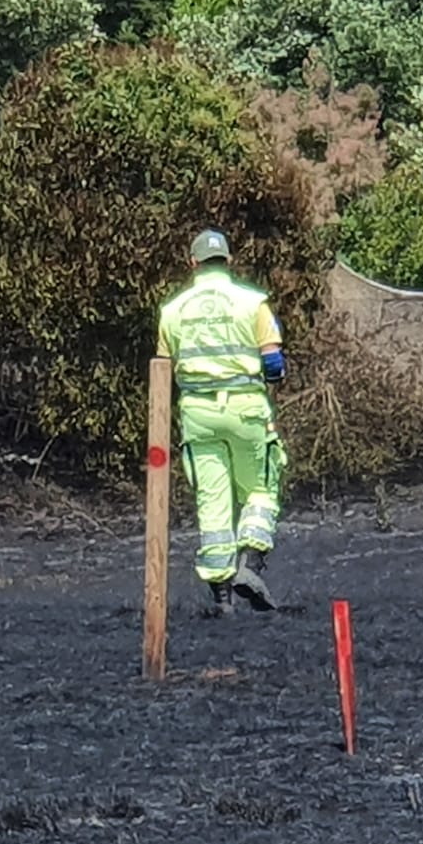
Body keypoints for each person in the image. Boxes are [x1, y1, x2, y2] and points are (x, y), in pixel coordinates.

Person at [156, 229, 287, 615]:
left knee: (212, 502)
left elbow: (163, 368)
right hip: (246, 409)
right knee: (261, 489)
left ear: (192, 264)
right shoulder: (253, 302)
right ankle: (251, 565)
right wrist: (271, 382)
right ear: (228, 262)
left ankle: (222, 599)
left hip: (198, 413)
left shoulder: (172, 311)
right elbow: (273, 363)